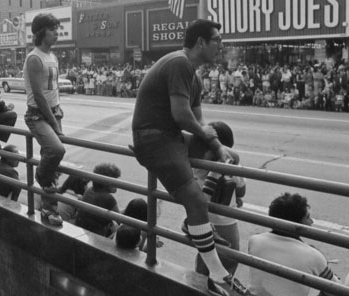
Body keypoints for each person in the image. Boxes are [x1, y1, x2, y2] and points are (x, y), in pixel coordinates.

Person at [131, 19, 250, 296]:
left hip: (170, 137)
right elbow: (182, 117)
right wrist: (209, 138)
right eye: (217, 39)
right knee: (196, 200)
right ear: (200, 42)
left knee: (229, 153)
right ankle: (218, 276)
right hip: (154, 137)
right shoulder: (179, 63)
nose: (221, 44)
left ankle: (194, 221)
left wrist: (219, 148)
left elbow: (199, 123)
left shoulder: (193, 74)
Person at [248, 192, 341, 295]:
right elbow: (336, 290)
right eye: (307, 217)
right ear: (295, 224)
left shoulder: (254, 241)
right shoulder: (313, 255)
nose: (311, 221)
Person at [23, 13, 67, 226]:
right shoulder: (34, 58)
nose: (57, 34)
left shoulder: (53, 57)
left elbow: (53, 90)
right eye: (53, 30)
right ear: (41, 33)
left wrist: (57, 114)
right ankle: (40, 176)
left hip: (54, 112)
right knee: (56, 150)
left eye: (57, 29)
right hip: (38, 115)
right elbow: (39, 95)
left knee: (53, 164)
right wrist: (53, 122)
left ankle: (49, 210)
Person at [188, 121, 246, 277]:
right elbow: (241, 189)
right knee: (230, 260)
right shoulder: (230, 162)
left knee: (204, 259)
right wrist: (239, 196)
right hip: (225, 222)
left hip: (202, 219)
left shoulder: (198, 163)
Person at [75, 163, 121, 237]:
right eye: (114, 181)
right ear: (105, 183)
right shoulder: (108, 198)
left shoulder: (89, 190)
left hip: (83, 231)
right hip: (96, 237)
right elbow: (120, 220)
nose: (117, 184)